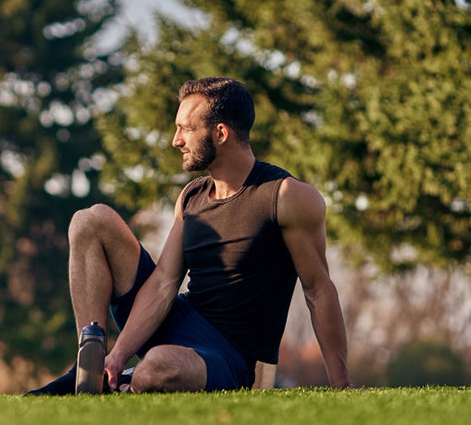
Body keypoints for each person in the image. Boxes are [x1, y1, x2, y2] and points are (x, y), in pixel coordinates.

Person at [28, 77, 352, 394]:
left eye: (185, 128)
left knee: (158, 366)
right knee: (90, 220)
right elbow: (164, 283)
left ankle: (128, 379)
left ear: (220, 133)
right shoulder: (191, 196)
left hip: (227, 355)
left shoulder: (286, 197)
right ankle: (92, 364)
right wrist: (116, 355)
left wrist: (342, 386)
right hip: (177, 320)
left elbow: (318, 290)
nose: (176, 140)